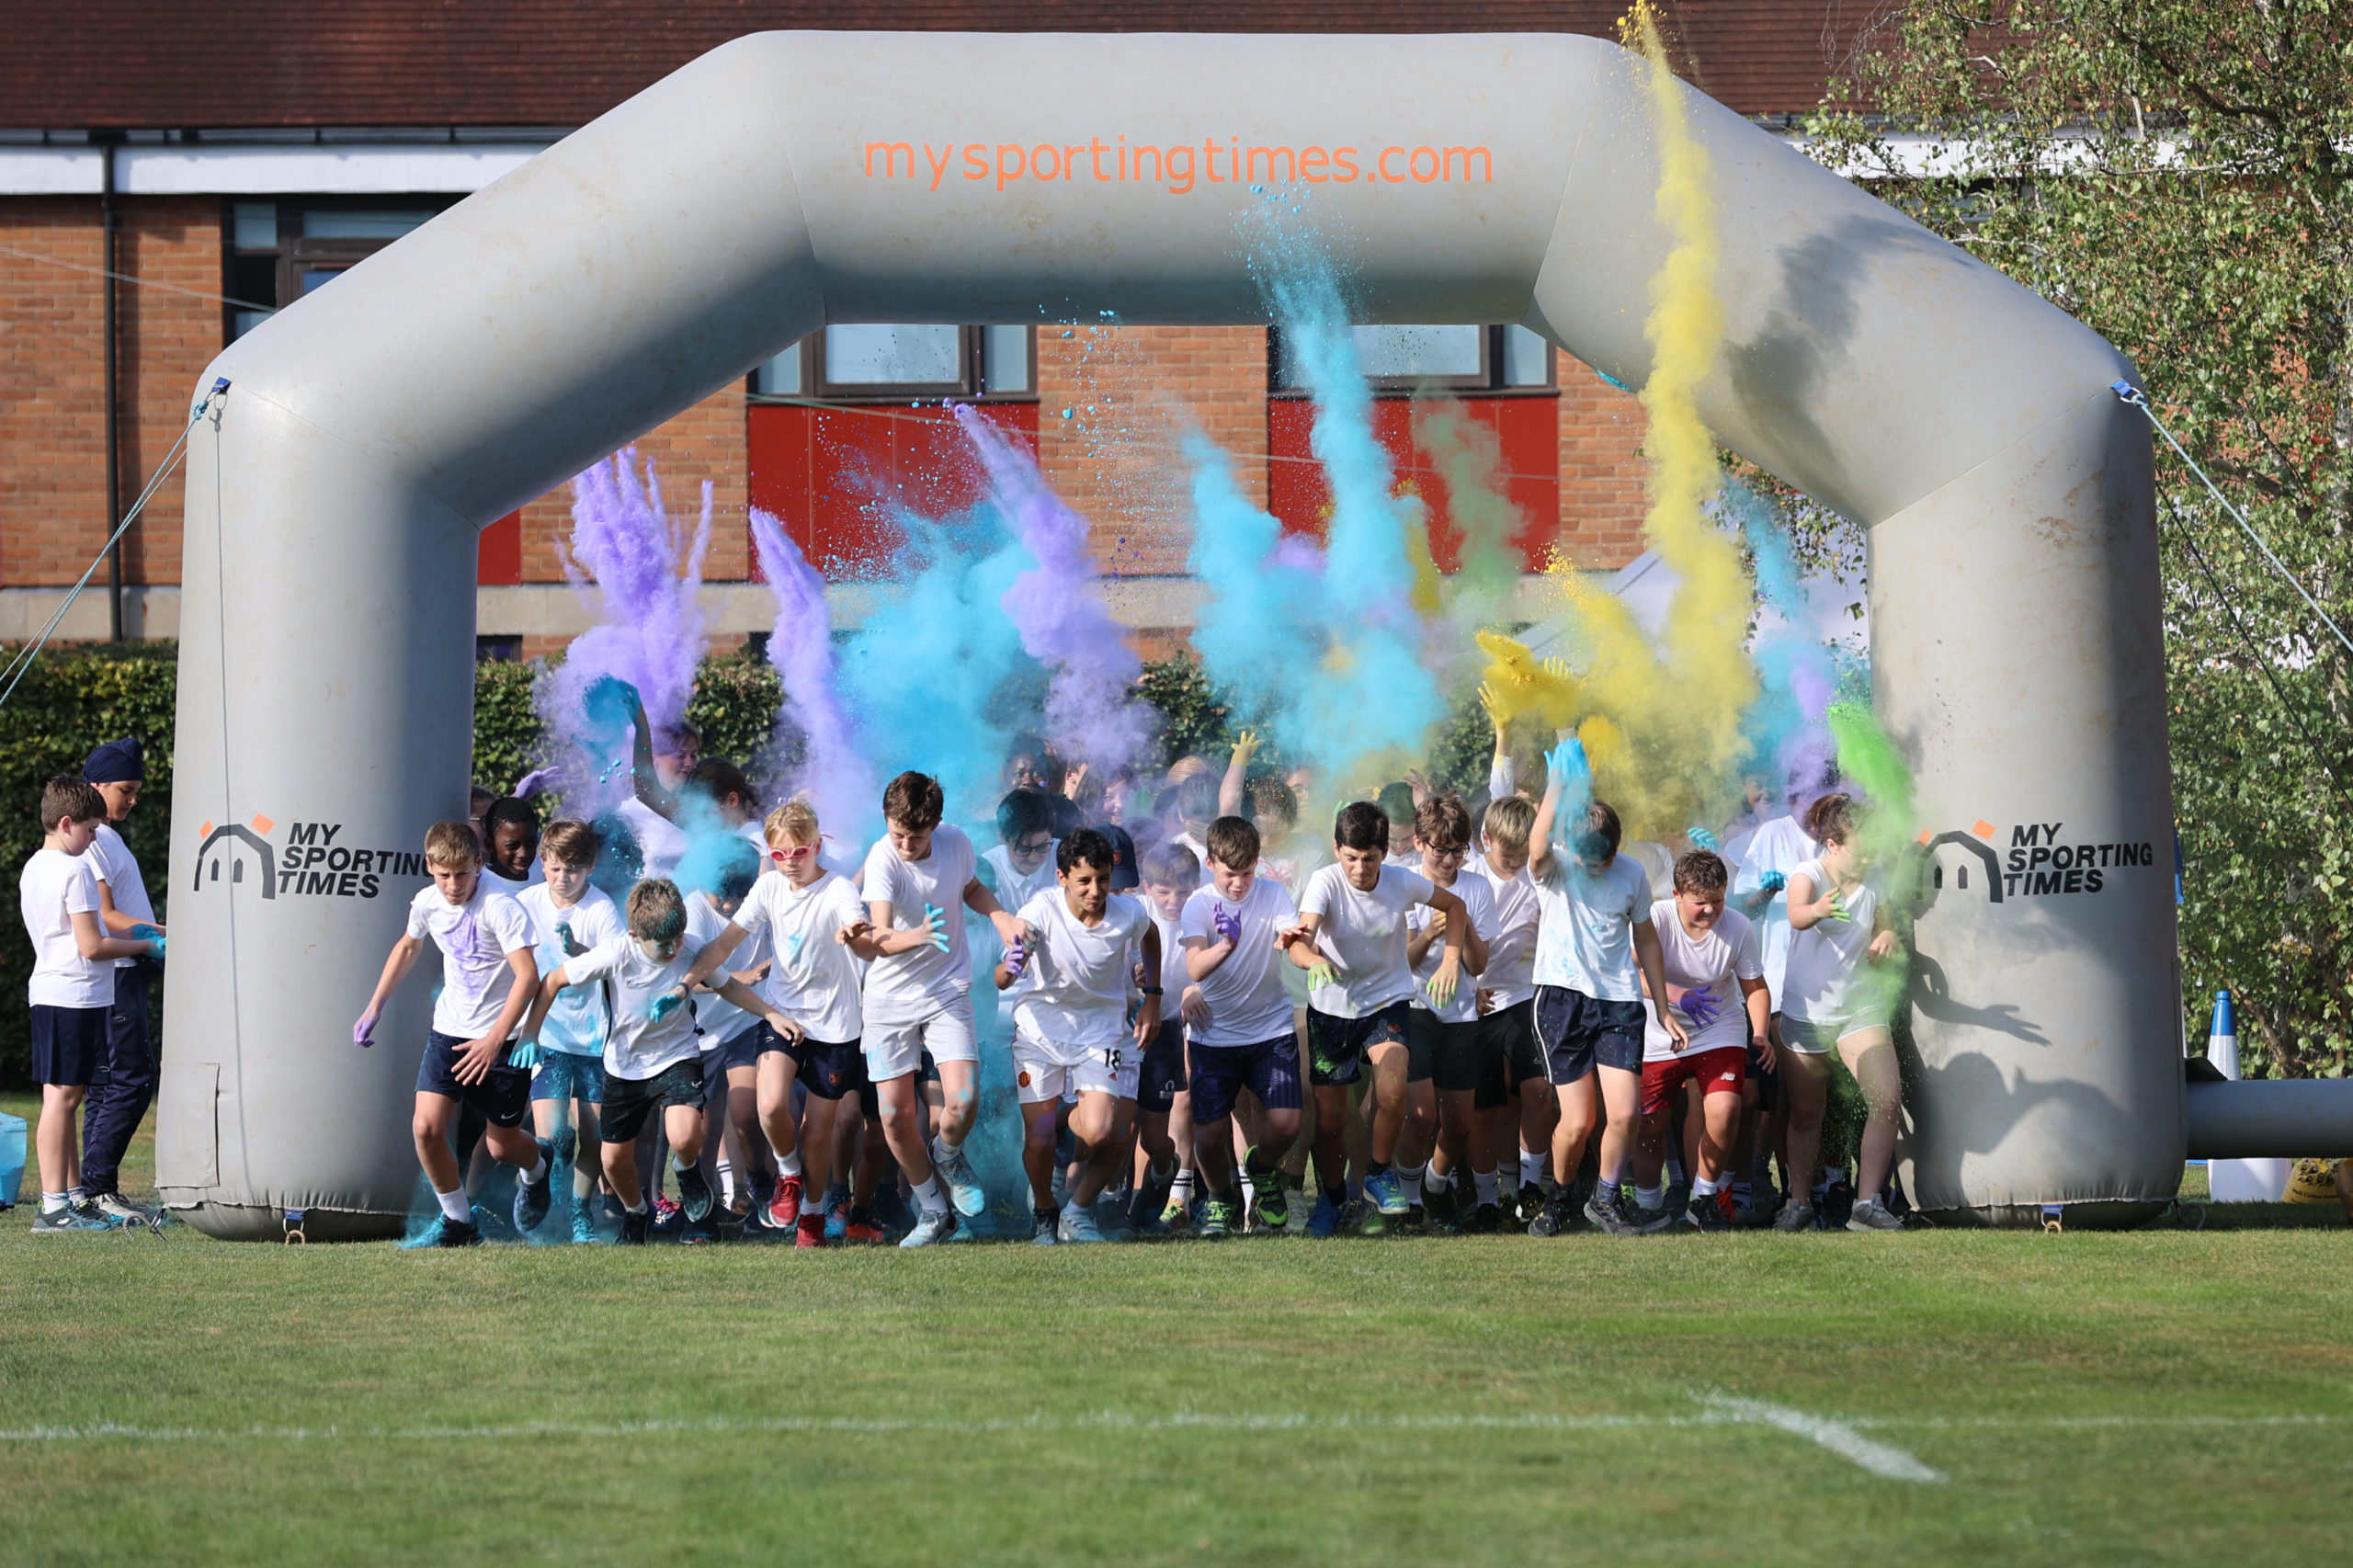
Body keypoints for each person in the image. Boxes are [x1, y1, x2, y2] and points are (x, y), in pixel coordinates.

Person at [520, 878, 800, 1244]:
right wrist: (530, 1033)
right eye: (663, 944)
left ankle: (687, 1170)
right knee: (613, 1162)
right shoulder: (617, 952)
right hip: (624, 1066)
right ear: (635, 936)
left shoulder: (690, 949)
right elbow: (554, 979)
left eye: (678, 940)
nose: (674, 950)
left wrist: (770, 1014)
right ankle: (637, 1212)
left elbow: (727, 985)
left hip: (677, 1055)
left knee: (685, 1135)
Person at [843, 771, 1033, 1247]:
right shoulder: (882, 857)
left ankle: (947, 1154)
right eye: (897, 832)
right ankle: (932, 1210)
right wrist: (917, 938)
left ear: (937, 824)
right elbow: (878, 937)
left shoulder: (957, 843)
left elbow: (969, 888)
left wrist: (1000, 915)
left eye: (915, 836)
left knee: (963, 1101)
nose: (904, 844)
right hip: (889, 1000)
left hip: (948, 990)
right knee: (893, 1117)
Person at [685, 798, 876, 1246]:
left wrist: (855, 934)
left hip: (835, 1025)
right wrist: (686, 982)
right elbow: (724, 945)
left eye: (799, 853)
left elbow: (862, 934)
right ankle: (787, 1175)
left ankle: (810, 1215)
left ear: (816, 846)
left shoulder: (839, 891)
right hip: (783, 1014)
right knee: (768, 1106)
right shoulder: (768, 889)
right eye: (779, 855)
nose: (789, 863)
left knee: (816, 1130)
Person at [353, 820, 551, 1248]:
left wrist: (496, 1039)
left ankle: (538, 1169)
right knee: (425, 1128)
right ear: (430, 867)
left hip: (504, 1041)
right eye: (443, 874)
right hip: (449, 1031)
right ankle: (459, 1222)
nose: (454, 884)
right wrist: (375, 1006)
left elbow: (528, 977)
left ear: (479, 864)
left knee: (501, 1147)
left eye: (462, 873)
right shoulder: (427, 901)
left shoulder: (501, 906)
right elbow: (408, 946)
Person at [1281, 800, 1471, 1228]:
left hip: (1387, 1005)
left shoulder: (1403, 882)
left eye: (1370, 859)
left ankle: (1379, 1175)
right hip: (1332, 1012)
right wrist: (1314, 961)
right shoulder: (1324, 883)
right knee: (1331, 1120)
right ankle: (1331, 1200)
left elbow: (1455, 908)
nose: (1360, 869)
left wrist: (1450, 960)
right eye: (1351, 858)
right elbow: (1297, 943)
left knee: (1392, 1093)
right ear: (1336, 849)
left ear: (1385, 852)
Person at [1526, 740, 1688, 1238]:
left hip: (1618, 1001)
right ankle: (1559, 1198)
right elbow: (1534, 848)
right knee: (1577, 1122)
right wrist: (1555, 789)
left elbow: (1647, 940)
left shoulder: (1632, 872)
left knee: (1624, 1113)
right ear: (1571, 848)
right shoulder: (1554, 865)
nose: (1597, 869)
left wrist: (1662, 1007)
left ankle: (1604, 1201)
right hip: (1561, 999)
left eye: (1605, 860)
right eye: (1588, 860)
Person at [995, 828, 1160, 1244]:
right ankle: (1046, 1216)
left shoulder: (1128, 913)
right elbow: (1001, 979)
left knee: (1106, 1130)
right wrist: (1012, 966)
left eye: (1103, 879)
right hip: (1040, 1034)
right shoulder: (1041, 911)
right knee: (1038, 1139)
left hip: (1100, 1033)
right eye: (1084, 880)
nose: (1095, 890)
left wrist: (1153, 996)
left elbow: (1152, 936)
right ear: (1062, 877)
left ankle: (1078, 1211)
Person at [20, 777, 161, 1234]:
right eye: (90, 829)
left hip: (54, 992)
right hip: (73, 996)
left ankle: (74, 1197)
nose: (96, 837)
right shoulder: (74, 870)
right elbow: (91, 946)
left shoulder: (34, 867)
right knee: (61, 1100)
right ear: (66, 824)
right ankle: (54, 1207)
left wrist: (138, 936)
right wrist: (146, 945)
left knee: (68, 1096)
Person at [1779, 793, 1907, 1233]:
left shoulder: (1877, 877)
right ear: (1832, 845)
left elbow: (1884, 920)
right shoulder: (1808, 873)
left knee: (1887, 1098)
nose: (1870, 855)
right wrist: (1815, 910)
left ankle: (1867, 1204)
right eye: (1862, 847)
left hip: (1860, 1007)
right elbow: (1795, 913)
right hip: (1808, 1012)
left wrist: (1887, 935)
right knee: (1806, 1113)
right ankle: (1798, 1203)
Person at [1178, 815, 1305, 1238]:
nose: (1239, 884)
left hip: (1271, 1029)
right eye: (1231, 874)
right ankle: (1219, 1198)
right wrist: (1226, 945)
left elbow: (1290, 933)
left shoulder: (1271, 894)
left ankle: (1260, 1168)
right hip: (1214, 1034)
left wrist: (1296, 941)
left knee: (1288, 1123)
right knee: (1211, 1136)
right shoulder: (1197, 904)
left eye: (1247, 872)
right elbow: (1195, 965)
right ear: (1211, 862)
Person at [1631, 850, 1771, 1232]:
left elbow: (1755, 986)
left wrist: (1760, 1032)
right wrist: (1675, 996)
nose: (1711, 910)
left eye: (1718, 900)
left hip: (1717, 1025)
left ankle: (1703, 1200)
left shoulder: (1739, 926)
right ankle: (1648, 1204)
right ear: (1676, 894)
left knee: (1726, 1109)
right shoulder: (1656, 917)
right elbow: (1631, 970)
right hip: (1660, 1029)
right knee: (1649, 1125)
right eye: (1700, 903)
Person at [516, 820, 625, 1243]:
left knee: (593, 1133)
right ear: (543, 863)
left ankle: (581, 1211)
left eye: (575, 869)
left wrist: (580, 952)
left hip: (596, 1040)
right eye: (557, 867)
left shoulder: (600, 910)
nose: (564, 878)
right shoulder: (524, 904)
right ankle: (538, 1189)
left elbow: (613, 961)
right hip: (546, 1036)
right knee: (553, 1134)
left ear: (592, 866)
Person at [77, 739, 165, 1223]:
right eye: (125, 790)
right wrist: (170, 936)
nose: (132, 799)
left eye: (136, 791)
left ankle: (94, 1191)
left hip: (123, 976)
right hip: (117, 975)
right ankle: (96, 1189)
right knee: (131, 1081)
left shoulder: (108, 837)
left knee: (109, 1083)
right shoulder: (95, 840)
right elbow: (107, 917)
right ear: (97, 785)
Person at [1404, 793, 1495, 1230]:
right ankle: (1405, 1203)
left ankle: (1434, 1186)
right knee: (1421, 1112)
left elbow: (1478, 966)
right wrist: (1427, 934)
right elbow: (1401, 962)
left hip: (1461, 1013)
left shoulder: (1477, 887)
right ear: (1420, 842)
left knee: (1458, 1125)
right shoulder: (1403, 884)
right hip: (1414, 1006)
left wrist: (1464, 921)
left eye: (1458, 850)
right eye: (1440, 849)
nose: (1449, 860)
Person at [1470, 794, 1559, 1232]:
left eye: (1523, 855)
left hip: (1528, 996)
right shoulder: (1467, 877)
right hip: (1477, 1002)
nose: (1516, 864)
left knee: (1540, 1092)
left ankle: (1530, 1190)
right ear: (1485, 839)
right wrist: (1468, 985)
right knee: (1485, 1109)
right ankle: (1487, 1200)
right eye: (1507, 856)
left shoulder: (1540, 873)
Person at [679, 835, 777, 1233]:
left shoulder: (760, 898)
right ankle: (701, 1213)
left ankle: (761, 1187)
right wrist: (742, 977)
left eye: (742, 896)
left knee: (746, 1112)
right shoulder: (694, 910)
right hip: (700, 1035)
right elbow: (690, 977)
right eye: (726, 898)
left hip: (747, 1024)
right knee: (704, 1132)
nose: (734, 906)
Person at [981, 786, 1060, 913]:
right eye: (1023, 849)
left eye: (1042, 846)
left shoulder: (1065, 858)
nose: (1034, 857)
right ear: (1003, 838)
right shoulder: (987, 870)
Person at [479, 796, 543, 895]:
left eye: (531, 843)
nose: (523, 854)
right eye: (512, 846)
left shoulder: (546, 871)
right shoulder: (480, 889)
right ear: (490, 845)